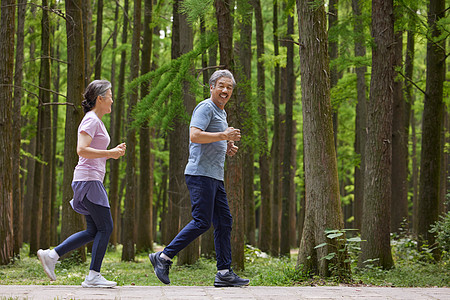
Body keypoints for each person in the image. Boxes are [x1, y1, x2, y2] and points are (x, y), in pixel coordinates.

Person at [149, 69, 249, 287]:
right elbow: (194, 135)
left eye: (229, 87)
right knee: (202, 221)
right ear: (211, 87)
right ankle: (163, 257)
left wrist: (226, 146)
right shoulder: (205, 107)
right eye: (221, 86)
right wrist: (224, 135)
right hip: (200, 174)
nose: (225, 90)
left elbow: (210, 138)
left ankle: (224, 272)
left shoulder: (222, 113)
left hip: (215, 175)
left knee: (224, 222)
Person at [37, 80, 126, 288]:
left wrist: (111, 152)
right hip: (88, 180)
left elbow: (91, 149)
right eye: (110, 95)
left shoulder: (96, 121)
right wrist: (110, 153)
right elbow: (81, 149)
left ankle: (52, 255)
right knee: (106, 226)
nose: (112, 99)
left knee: (94, 230)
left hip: (89, 180)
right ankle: (93, 275)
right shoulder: (91, 120)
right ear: (100, 98)